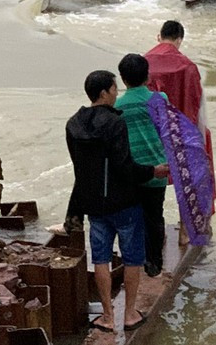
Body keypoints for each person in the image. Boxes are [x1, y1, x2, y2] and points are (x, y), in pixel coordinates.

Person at [66, 70, 169, 333]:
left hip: (94, 205)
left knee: (100, 259)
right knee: (133, 258)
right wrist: (152, 171)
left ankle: (108, 317)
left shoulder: (73, 124)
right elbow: (124, 167)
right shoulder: (115, 123)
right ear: (103, 93)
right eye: (113, 89)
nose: (116, 93)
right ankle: (130, 314)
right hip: (123, 202)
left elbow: (81, 170)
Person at [146, 20, 216, 243]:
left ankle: (156, 233)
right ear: (179, 39)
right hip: (181, 132)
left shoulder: (143, 62)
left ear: (159, 36)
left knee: (152, 180)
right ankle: (185, 231)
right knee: (187, 178)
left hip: (151, 133)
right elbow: (197, 103)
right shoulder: (187, 66)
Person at [115, 54, 169, 279]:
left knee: (132, 218)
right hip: (158, 168)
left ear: (123, 80)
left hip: (131, 171)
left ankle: (133, 261)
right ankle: (154, 263)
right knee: (155, 216)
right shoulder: (160, 99)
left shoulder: (117, 106)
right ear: (148, 76)